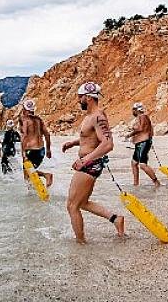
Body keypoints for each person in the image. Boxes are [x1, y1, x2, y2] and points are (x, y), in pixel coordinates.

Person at [61, 82, 124, 243]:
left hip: (89, 164)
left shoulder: (97, 117)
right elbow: (89, 138)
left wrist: (85, 160)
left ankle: (81, 243)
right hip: (89, 163)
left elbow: (108, 144)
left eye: (80, 97)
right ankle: (115, 219)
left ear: (88, 98)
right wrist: (73, 143)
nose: (78, 100)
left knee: (72, 206)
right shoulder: (91, 116)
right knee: (82, 203)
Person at [19, 99, 53, 187]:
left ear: (24, 109)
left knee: (27, 171)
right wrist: (48, 150)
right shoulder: (39, 120)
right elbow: (47, 134)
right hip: (41, 151)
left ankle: (46, 175)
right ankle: (32, 190)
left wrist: (23, 153)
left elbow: (24, 136)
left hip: (30, 150)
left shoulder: (24, 120)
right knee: (31, 171)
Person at [128, 102, 159, 186]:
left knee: (142, 165)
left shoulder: (142, 117)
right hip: (141, 142)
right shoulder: (144, 117)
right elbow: (150, 130)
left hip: (143, 143)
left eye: (133, 110)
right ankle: (136, 183)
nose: (132, 112)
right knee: (134, 163)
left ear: (136, 110)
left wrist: (130, 133)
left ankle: (156, 182)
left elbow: (140, 128)